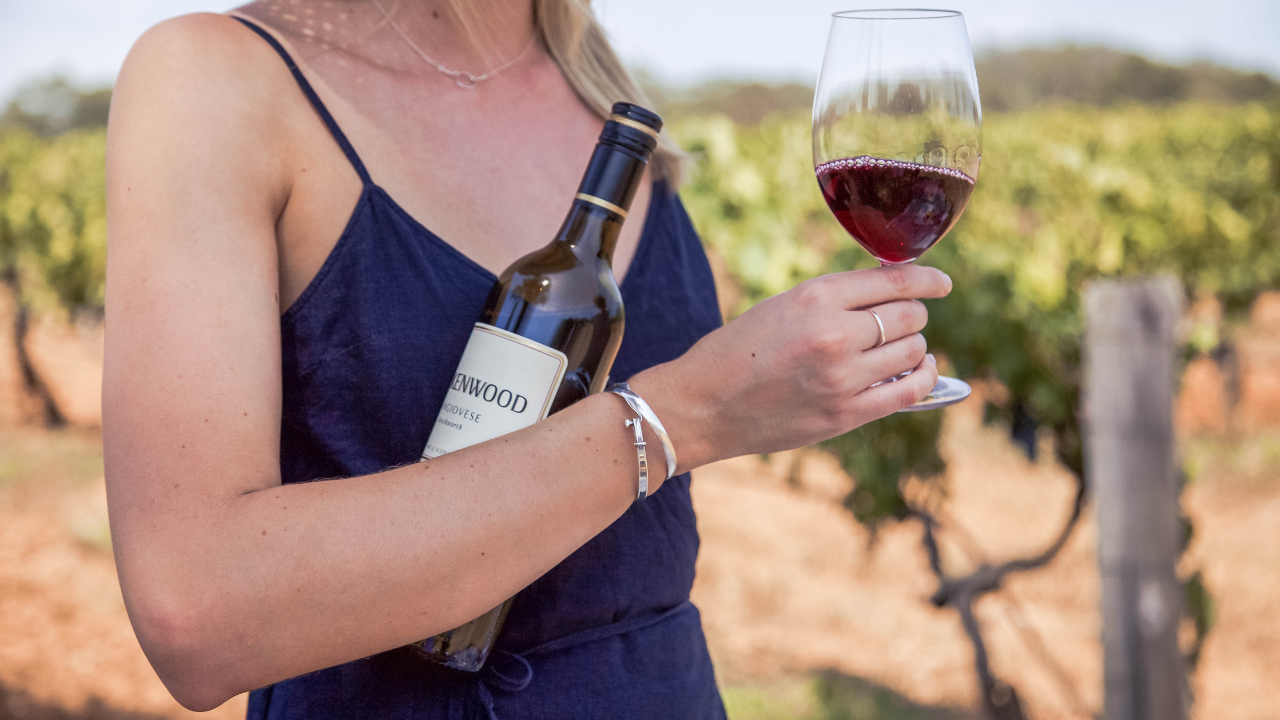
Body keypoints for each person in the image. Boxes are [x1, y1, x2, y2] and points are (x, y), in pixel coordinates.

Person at [103, 0, 950, 717]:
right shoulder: (217, 79)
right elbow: (197, 612)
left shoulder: (606, 94)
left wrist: (788, 385)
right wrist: (681, 417)